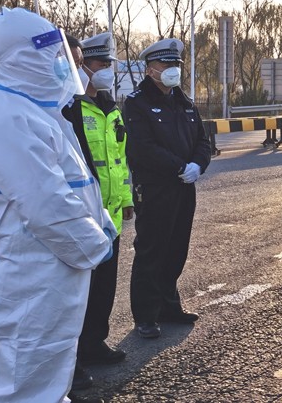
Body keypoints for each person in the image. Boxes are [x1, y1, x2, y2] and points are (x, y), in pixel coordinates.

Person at [0, 7, 115, 403]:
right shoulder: (6, 115)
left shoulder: (36, 111)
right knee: (23, 391)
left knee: (44, 384)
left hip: (41, 278)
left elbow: (75, 184)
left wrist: (101, 221)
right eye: (52, 55)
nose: (62, 65)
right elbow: (47, 205)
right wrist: (95, 245)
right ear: (25, 57)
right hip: (24, 284)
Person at [123, 38, 212, 340]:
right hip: (155, 188)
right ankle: (146, 315)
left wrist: (198, 165)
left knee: (176, 248)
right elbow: (142, 147)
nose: (173, 69)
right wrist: (179, 167)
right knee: (152, 250)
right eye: (166, 64)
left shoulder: (185, 102)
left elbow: (202, 141)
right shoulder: (137, 103)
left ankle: (169, 306)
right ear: (150, 69)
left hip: (184, 187)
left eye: (176, 64)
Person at [62, 32, 134, 366]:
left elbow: (120, 159)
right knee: (80, 289)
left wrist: (127, 199)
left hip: (112, 215)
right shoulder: (71, 108)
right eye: (100, 64)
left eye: (109, 64)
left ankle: (94, 342)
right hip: (85, 215)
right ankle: (73, 354)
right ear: (83, 67)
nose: (107, 70)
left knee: (105, 286)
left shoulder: (111, 107)